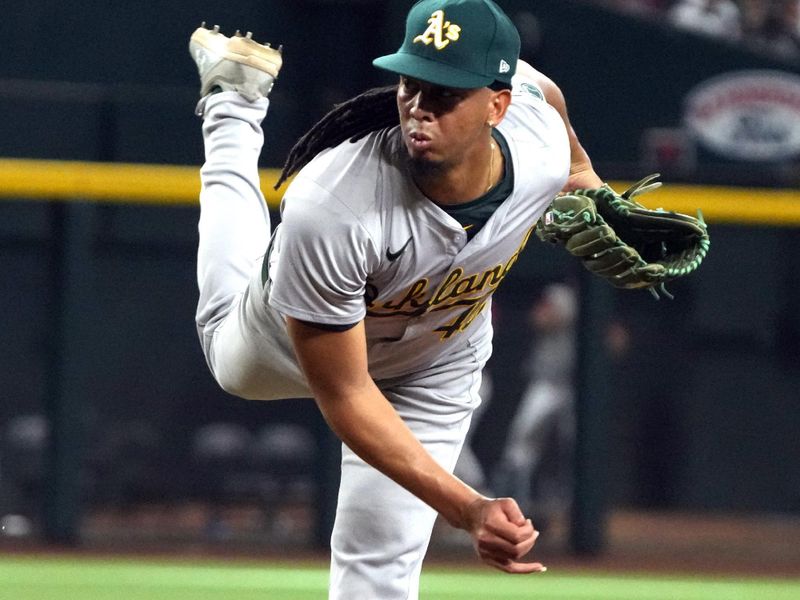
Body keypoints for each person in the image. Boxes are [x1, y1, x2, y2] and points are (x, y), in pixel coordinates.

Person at [189, 1, 603, 597]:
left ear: (497, 104)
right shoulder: (332, 205)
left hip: (439, 356)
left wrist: (585, 177)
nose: (419, 110)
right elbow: (349, 393)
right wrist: (467, 508)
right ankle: (233, 106)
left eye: (447, 94)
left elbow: (543, 93)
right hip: (291, 343)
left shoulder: (537, 140)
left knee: (379, 559)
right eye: (412, 85)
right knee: (228, 353)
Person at [491, 283, 578, 528]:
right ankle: (516, 505)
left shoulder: (602, 291)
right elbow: (539, 319)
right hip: (546, 382)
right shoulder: (560, 294)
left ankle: (566, 507)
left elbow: (618, 341)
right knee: (520, 444)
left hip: (575, 385)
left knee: (575, 446)